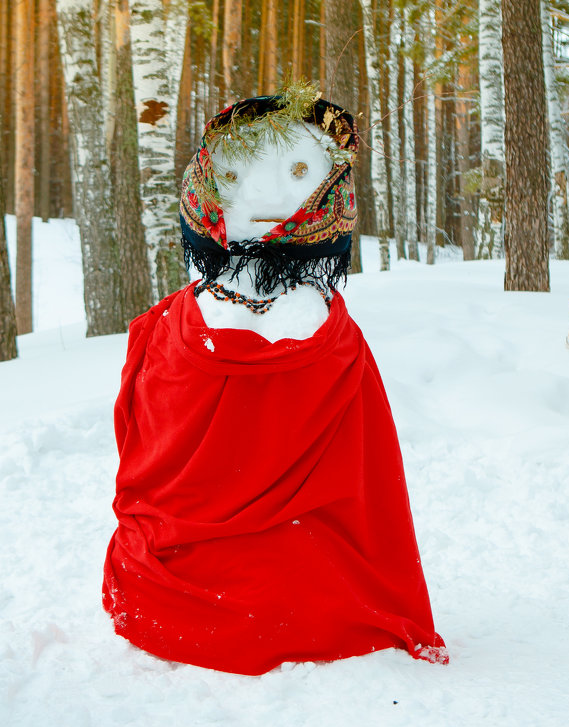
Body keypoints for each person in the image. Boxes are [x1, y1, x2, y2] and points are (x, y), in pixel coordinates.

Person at [103, 89, 447, 675]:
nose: (263, 198)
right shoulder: (188, 328)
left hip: (218, 567)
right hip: (294, 576)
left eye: (293, 174)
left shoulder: (183, 328)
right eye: (240, 176)